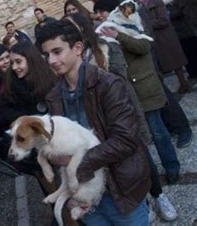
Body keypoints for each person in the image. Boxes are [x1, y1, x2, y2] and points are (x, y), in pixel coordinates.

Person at [65, 13, 177, 222]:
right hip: (96, 123)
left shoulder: (106, 46)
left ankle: (159, 195)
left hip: (121, 114)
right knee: (118, 170)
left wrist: (95, 77)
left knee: (142, 160)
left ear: (82, 27)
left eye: (73, 27)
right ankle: (140, 203)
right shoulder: (69, 60)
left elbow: (120, 78)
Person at [37, 20, 151, 225]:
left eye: (57, 51)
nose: (51, 60)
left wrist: (76, 163)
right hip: (85, 195)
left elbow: (126, 140)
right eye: (46, 55)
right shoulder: (54, 97)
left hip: (121, 191)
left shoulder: (108, 84)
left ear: (78, 48)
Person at [94, 0, 181, 184]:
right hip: (126, 93)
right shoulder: (104, 31)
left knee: (158, 131)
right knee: (139, 137)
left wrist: (118, 36)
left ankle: (172, 166)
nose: (98, 16)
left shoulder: (132, 22)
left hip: (144, 88)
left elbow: (144, 46)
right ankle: (151, 176)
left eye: (101, 11)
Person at [129, 0, 189, 93]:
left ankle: (183, 83)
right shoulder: (137, 8)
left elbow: (164, 20)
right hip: (153, 39)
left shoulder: (156, 1)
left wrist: (146, 25)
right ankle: (163, 90)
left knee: (175, 63)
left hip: (165, 36)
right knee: (158, 64)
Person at [159, 0, 197, 79]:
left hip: (186, 28)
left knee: (193, 50)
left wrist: (169, 15)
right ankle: (191, 72)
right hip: (175, 32)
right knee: (184, 53)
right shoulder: (161, 2)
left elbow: (182, 10)